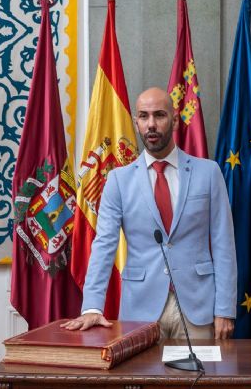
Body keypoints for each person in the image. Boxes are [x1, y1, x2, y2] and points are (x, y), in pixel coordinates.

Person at [62, 87, 237, 339]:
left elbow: (224, 244)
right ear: (136, 122)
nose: (151, 124)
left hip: (199, 309)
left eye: (159, 115)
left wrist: (225, 309)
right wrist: (92, 306)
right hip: (139, 311)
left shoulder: (208, 173)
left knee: (201, 378)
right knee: (142, 379)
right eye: (144, 117)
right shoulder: (118, 180)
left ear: (175, 120)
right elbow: (104, 246)